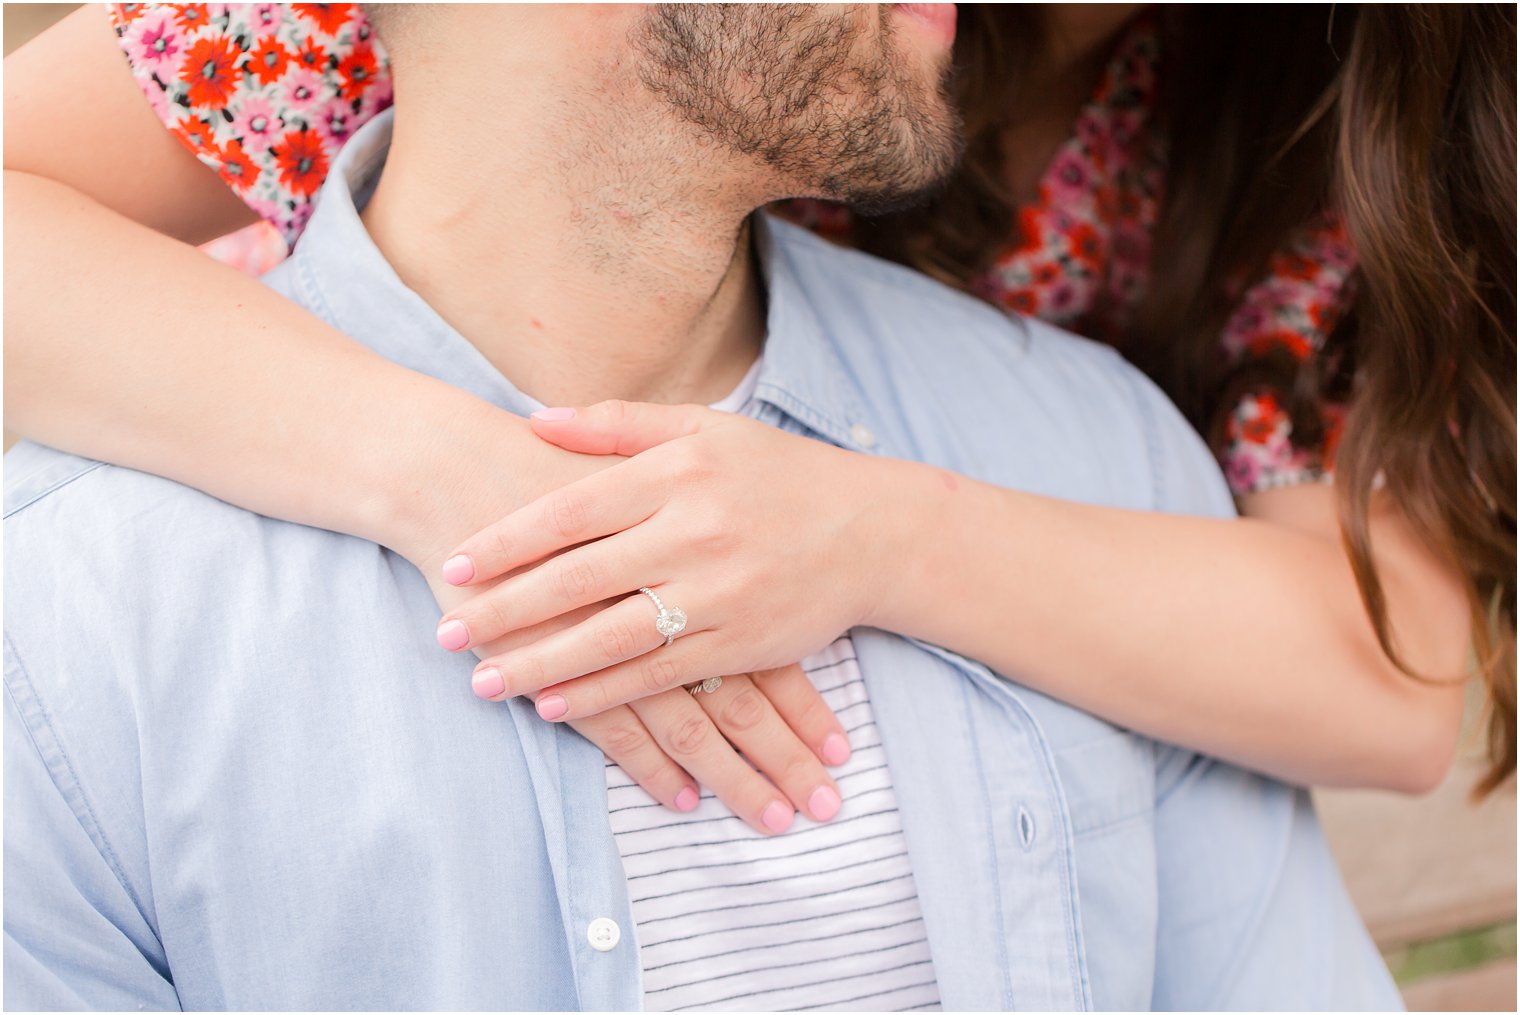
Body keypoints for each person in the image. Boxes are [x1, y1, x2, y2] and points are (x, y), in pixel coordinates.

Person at [5, 5, 1398, 1010]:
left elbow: (1389, 696)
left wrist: (872, 535)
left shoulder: (1119, 399)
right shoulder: (90, 619)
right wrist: (469, 481)